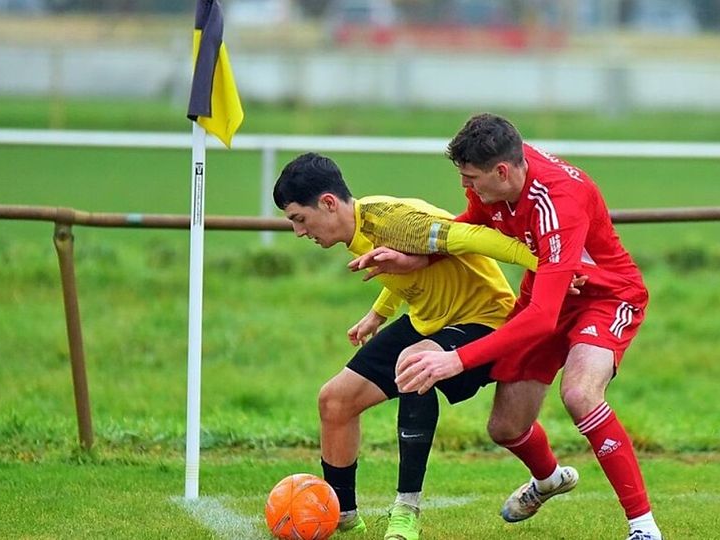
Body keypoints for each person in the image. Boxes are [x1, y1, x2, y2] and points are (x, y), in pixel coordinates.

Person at [360, 113, 663, 540]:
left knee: (579, 394)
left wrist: (455, 360)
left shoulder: (559, 200)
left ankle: (644, 527)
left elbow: (539, 319)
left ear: (502, 171)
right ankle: (549, 481)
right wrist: (420, 259)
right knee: (505, 428)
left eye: (471, 178)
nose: (467, 187)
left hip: (606, 297)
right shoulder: (495, 184)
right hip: (549, 293)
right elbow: (471, 227)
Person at [273, 151, 542, 540]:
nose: (299, 232)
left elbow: (472, 236)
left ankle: (407, 511)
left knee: (414, 364)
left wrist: (545, 264)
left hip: (485, 320)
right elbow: (409, 271)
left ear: (328, 204)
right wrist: (378, 314)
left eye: (299, 219)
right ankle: (342, 515)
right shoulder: (359, 230)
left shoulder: (394, 220)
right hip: (431, 320)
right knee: (335, 400)